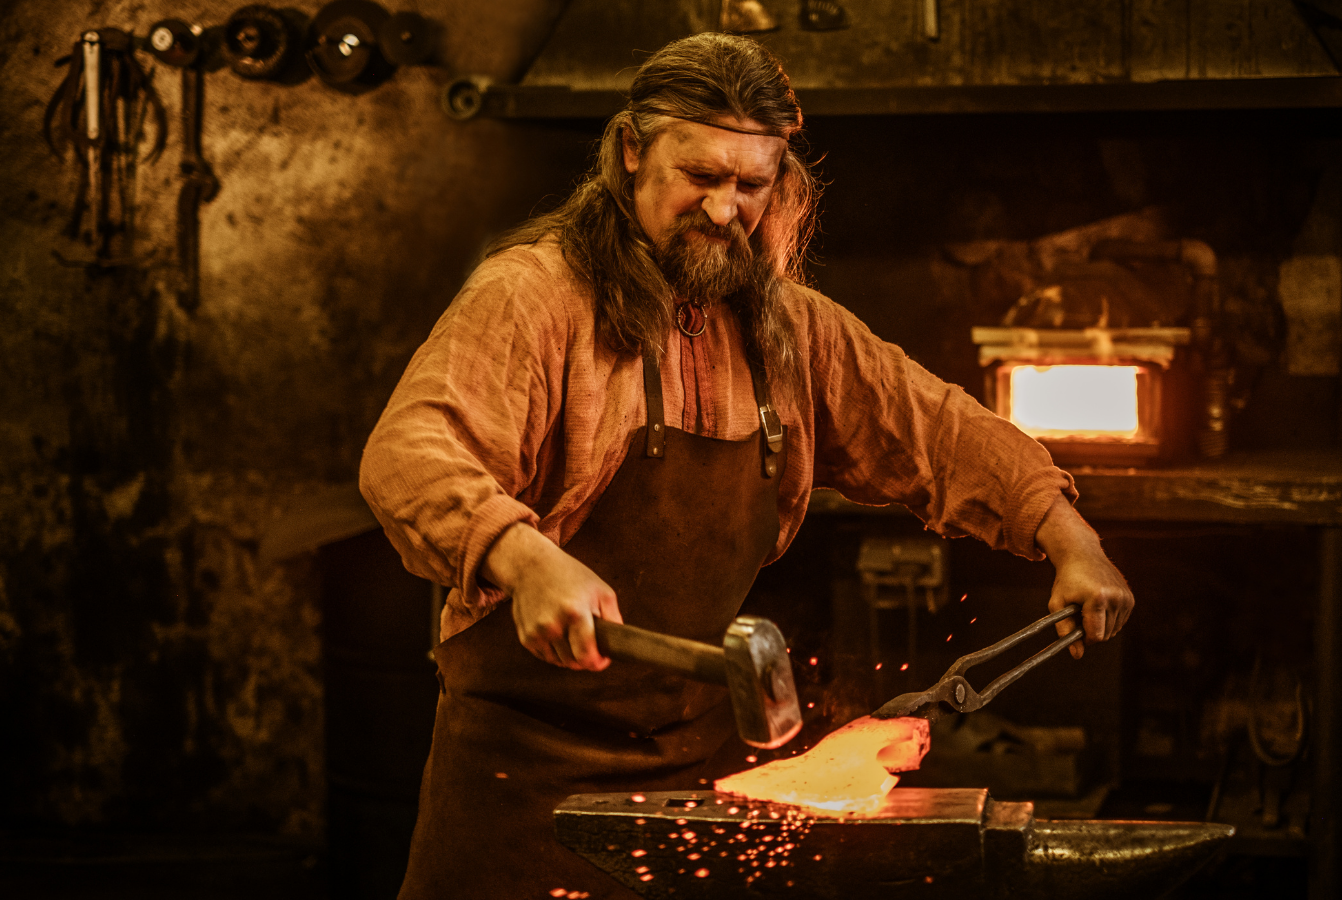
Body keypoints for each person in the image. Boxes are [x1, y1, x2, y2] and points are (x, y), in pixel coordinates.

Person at [359, 31, 1134, 899]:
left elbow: (936, 429)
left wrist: (1066, 535)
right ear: (630, 153)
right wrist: (523, 554)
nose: (726, 210)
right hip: (521, 782)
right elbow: (412, 453)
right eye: (701, 176)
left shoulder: (786, 326)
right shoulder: (533, 298)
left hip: (698, 775)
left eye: (751, 185)